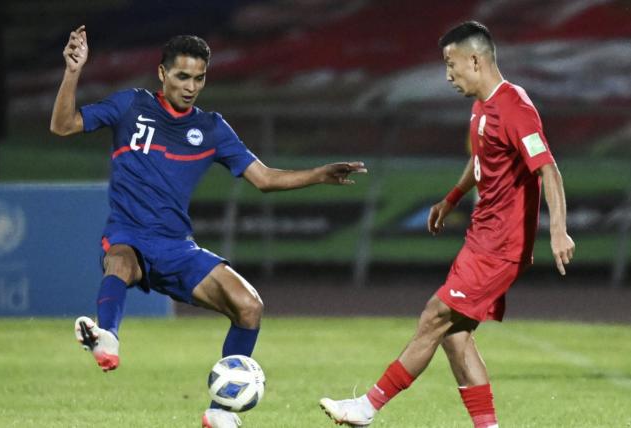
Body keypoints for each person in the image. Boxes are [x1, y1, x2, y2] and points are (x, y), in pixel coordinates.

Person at [50, 26, 367, 428]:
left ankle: (219, 413)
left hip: (177, 247)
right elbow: (63, 125)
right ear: (162, 73)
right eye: (182, 76)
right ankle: (107, 336)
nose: (191, 86)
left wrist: (319, 174)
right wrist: (73, 72)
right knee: (121, 262)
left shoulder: (213, 129)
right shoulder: (130, 106)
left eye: (199, 78)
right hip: (129, 234)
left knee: (249, 306)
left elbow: (264, 179)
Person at [319, 21, 575, 428]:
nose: (448, 75)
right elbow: (481, 162)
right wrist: (452, 198)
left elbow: (549, 170)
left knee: (435, 316)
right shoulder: (481, 107)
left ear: (475, 60)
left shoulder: (515, 108)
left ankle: (366, 407)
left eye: (451, 65)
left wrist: (558, 230)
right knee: (455, 338)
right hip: (481, 240)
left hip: (500, 247)